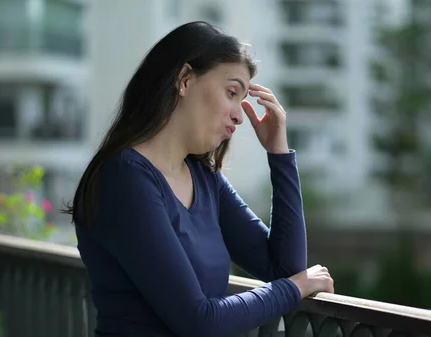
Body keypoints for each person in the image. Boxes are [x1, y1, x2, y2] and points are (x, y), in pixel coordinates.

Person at [63, 21, 335, 337]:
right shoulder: (124, 179)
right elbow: (200, 321)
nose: (239, 115)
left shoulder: (204, 179)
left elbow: (285, 268)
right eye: (231, 93)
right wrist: (293, 289)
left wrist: (279, 154)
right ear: (185, 80)